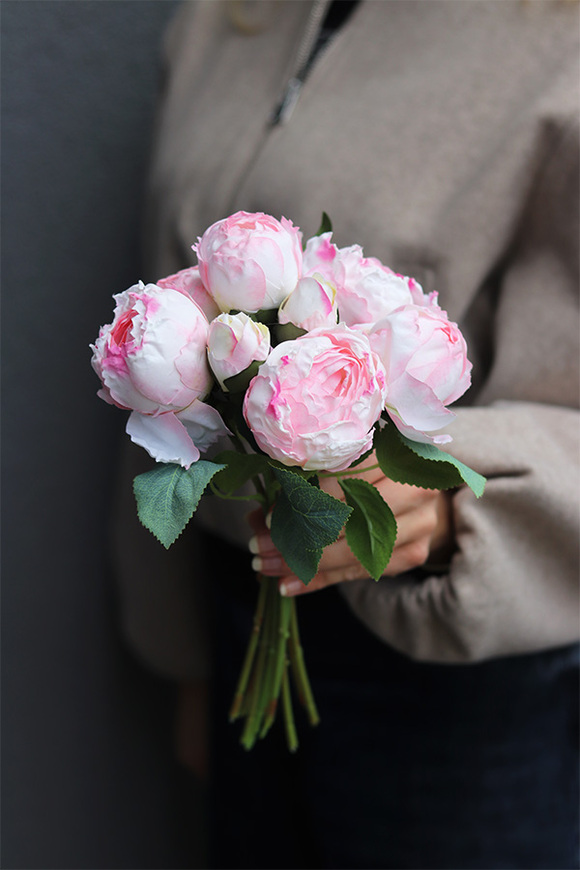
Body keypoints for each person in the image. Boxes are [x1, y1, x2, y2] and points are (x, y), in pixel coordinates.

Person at [114, 1, 580, 867]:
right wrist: (184, 654)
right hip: (241, 618)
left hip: (451, 696)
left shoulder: (559, 46)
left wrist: (450, 496)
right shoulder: (228, 18)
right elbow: (166, 369)